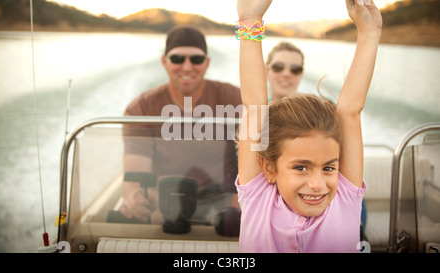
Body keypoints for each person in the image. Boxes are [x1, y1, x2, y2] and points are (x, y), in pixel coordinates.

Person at [236, 0, 382, 253]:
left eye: (328, 168)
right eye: (301, 167)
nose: (318, 184)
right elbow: (254, 107)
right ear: (269, 168)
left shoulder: (343, 198)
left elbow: (350, 112)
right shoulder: (258, 196)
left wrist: (370, 32)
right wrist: (249, 19)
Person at [120, 26, 242, 225]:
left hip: (223, 199)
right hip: (166, 201)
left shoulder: (233, 98)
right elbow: (136, 174)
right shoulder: (141, 108)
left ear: (207, 63)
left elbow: (254, 156)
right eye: (177, 59)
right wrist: (135, 196)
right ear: (164, 62)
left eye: (196, 59)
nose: (187, 67)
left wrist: (240, 200)